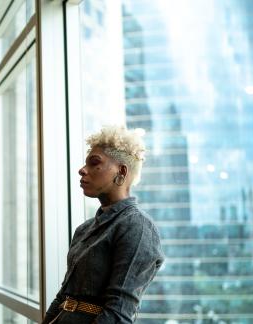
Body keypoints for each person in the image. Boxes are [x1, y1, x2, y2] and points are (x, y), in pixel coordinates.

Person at [42, 126, 164, 323]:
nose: (82, 170)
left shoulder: (137, 227)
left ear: (121, 171)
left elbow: (118, 313)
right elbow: (63, 297)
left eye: (94, 163)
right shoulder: (84, 229)